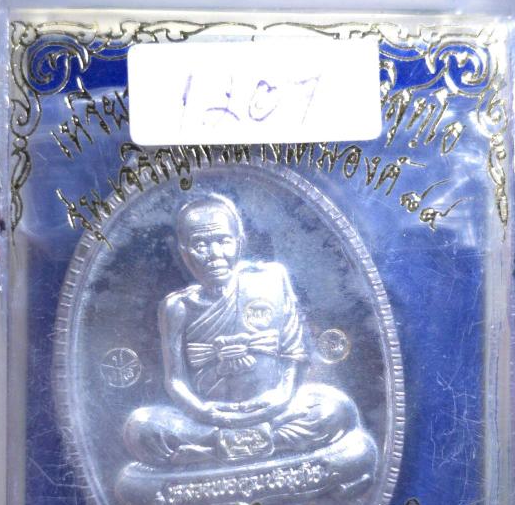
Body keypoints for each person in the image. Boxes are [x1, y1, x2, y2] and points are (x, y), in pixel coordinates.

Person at [124, 194, 370, 468]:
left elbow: (293, 356)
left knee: (335, 409)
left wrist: (280, 398)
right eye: (201, 244)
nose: (214, 253)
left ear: (240, 242)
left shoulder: (270, 281)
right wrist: (205, 412)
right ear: (184, 251)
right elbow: (175, 381)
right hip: (209, 421)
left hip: (274, 412)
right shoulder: (177, 307)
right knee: (142, 427)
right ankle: (259, 446)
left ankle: (214, 452)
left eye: (223, 240)